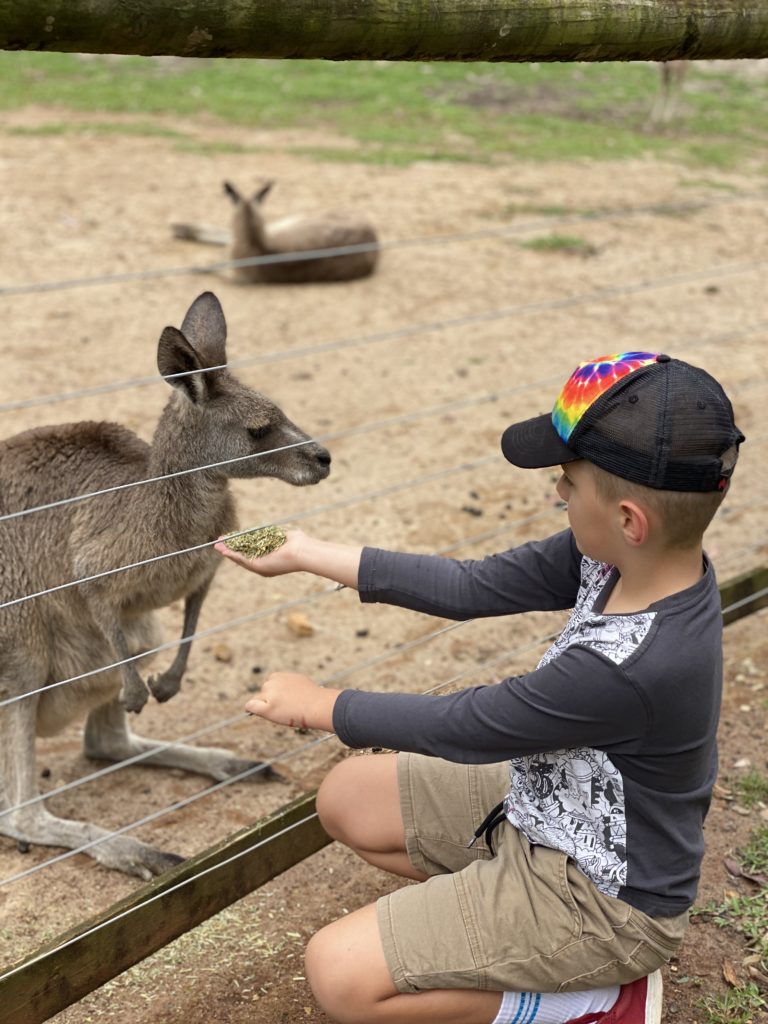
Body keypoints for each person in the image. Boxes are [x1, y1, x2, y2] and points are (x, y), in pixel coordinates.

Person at [215, 351, 744, 1024]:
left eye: (568, 483)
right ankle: (503, 932)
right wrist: (308, 553)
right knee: (349, 796)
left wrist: (322, 706)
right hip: (549, 807)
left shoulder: (635, 664)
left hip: (607, 904)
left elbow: (468, 726)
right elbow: (474, 586)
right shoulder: (629, 559)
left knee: (340, 976)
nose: (558, 493)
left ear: (630, 518)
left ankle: (595, 1000)